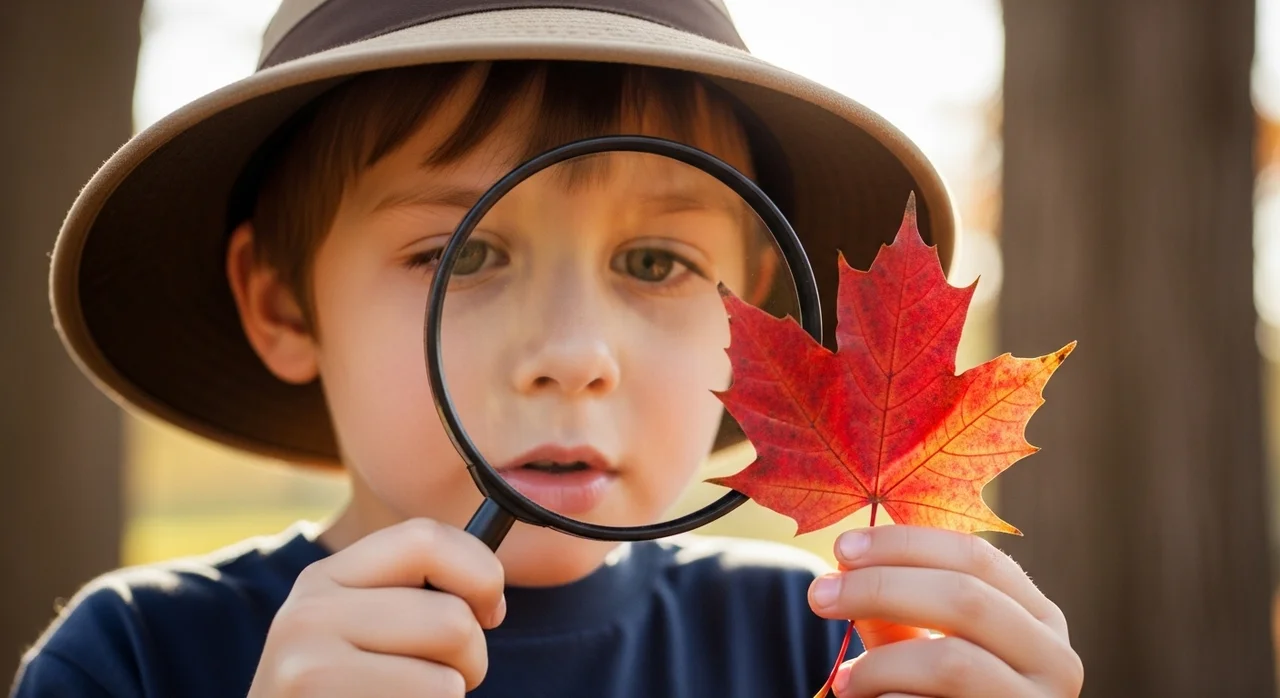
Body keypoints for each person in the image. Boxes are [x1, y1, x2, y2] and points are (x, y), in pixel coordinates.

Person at [11, 1, 1084, 696]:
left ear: (745, 315)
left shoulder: (829, 651)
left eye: (656, 262)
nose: (572, 354)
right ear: (282, 305)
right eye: (459, 255)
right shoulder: (136, 661)